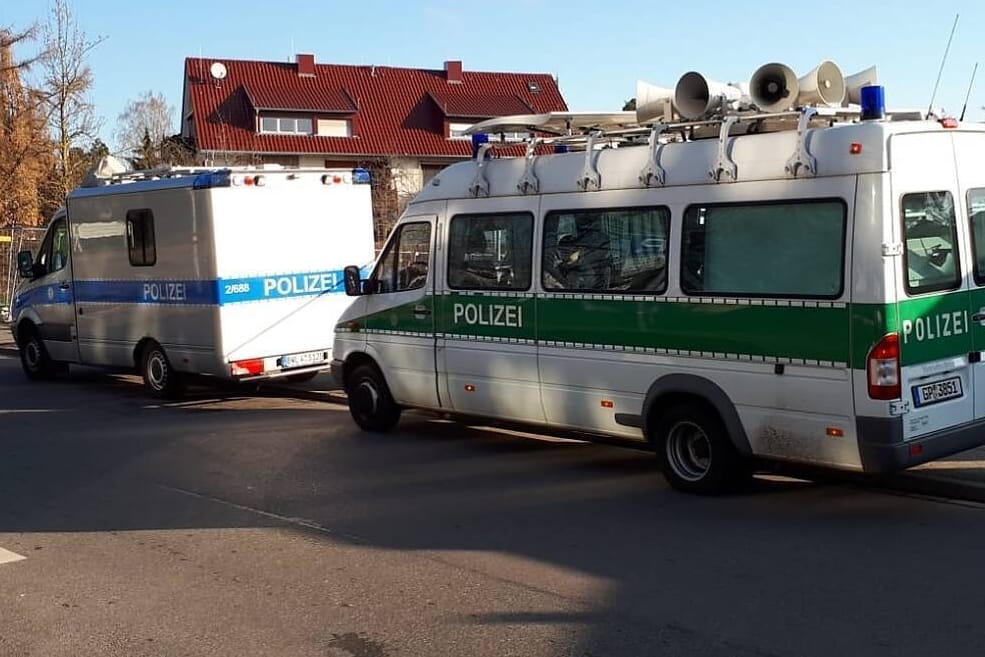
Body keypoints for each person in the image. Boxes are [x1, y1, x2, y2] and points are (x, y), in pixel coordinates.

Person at [545, 215, 610, 290]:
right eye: (562, 250)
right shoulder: (556, 269)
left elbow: (590, 286)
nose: (565, 253)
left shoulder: (585, 269)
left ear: (577, 251)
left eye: (569, 250)